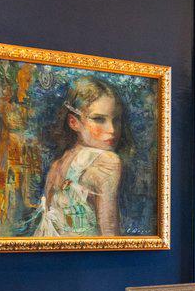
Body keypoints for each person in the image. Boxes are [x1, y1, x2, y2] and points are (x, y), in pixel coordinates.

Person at [32, 75, 128, 237]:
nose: (112, 129)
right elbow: (109, 231)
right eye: (99, 119)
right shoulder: (107, 161)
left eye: (116, 120)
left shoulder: (57, 165)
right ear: (74, 122)